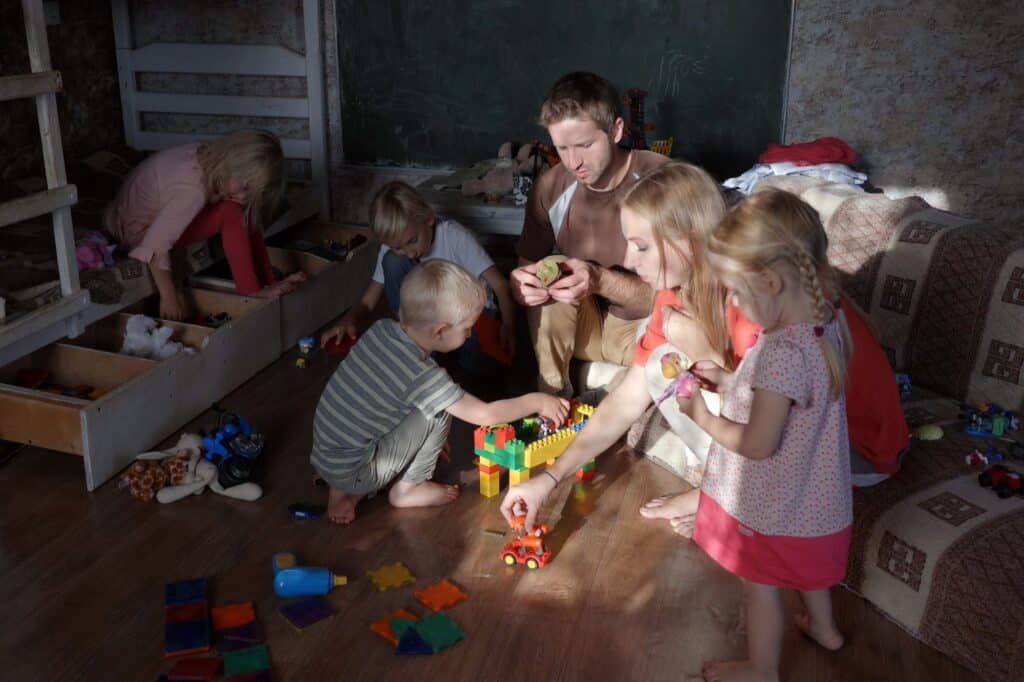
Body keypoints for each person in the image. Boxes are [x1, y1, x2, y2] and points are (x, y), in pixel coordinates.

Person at [674, 188, 853, 680]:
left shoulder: (780, 352)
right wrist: (733, 382)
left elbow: (758, 443)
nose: (730, 300)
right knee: (805, 572)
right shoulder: (825, 322)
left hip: (776, 504)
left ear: (771, 281)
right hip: (815, 504)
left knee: (761, 585)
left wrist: (703, 417)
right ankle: (825, 628)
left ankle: (761, 670)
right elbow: (795, 402)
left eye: (734, 289)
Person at [312, 260, 567, 525]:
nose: (469, 336)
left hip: (326, 453)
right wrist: (536, 400)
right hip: (356, 468)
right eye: (467, 329)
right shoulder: (424, 376)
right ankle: (409, 488)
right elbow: (485, 414)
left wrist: (421, 441)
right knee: (440, 411)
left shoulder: (381, 330)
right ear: (440, 331)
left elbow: (373, 403)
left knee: (382, 409)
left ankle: (341, 493)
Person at [510, 71, 668, 396]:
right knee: (549, 270)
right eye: (562, 148)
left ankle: (611, 388)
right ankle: (550, 402)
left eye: (585, 145)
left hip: (647, 329)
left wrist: (598, 279)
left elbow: (691, 296)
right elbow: (526, 265)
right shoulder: (551, 187)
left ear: (616, 130)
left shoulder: (662, 180)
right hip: (586, 330)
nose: (574, 162)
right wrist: (521, 286)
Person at [104, 129, 305, 320]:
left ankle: (265, 282)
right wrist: (169, 297)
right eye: (244, 187)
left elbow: (248, 213)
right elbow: (153, 246)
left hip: (126, 213)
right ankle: (251, 292)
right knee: (232, 213)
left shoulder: (211, 157)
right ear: (234, 163)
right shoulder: (193, 190)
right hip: (135, 230)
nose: (243, 196)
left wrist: (271, 282)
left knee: (244, 210)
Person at [321, 180, 516, 369]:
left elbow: (500, 285)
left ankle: (442, 358)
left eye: (413, 241)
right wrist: (349, 319)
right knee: (392, 261)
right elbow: (368, 300)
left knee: (481, 371)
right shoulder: (394, 250)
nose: (410, 252)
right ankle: (415, 341)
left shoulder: (455, 237)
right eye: (398, 247)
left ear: (428, 219)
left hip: (471, 321)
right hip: (432, 324)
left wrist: (508, 325)